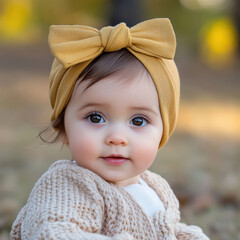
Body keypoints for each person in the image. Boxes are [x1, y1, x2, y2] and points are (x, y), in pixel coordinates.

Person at [10, 18, 209, 239]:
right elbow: (53, 232)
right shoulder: (67, 185)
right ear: (63, 128)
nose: (117, 137)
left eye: (138, 121)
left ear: (163, 131)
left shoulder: (156, 187)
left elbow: (170, 231)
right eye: (95, 118)